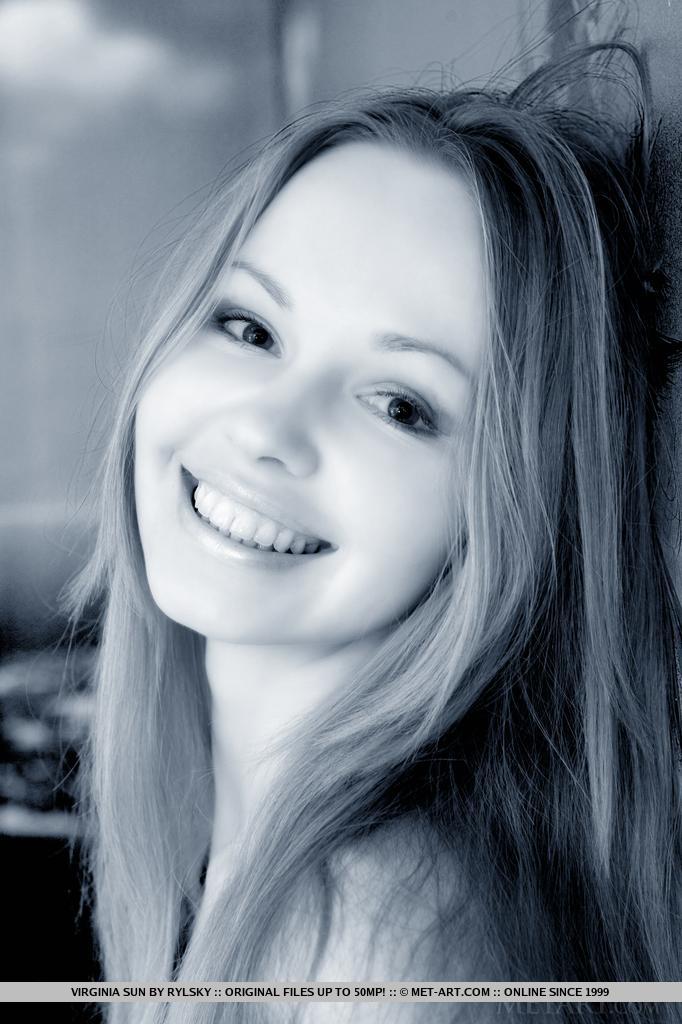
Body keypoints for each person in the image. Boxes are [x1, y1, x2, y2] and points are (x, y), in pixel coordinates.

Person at [65, 40, 682, 1024]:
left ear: (512, 514)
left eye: (400, 405)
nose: (268, 429)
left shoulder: (382, 941)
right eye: (250, 328)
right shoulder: (272, 858)